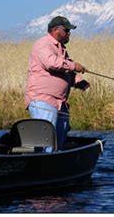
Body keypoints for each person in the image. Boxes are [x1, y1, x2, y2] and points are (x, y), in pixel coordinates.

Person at [25, 15, 90, 150]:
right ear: (55, 30)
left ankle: (54, 168)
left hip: (60, 104)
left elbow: (65, 71)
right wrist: (74, 66)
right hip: (43, 101)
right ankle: (42, 167)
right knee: (45, 143)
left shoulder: (62, 49)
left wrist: (80, 82)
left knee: (58, 144)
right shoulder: (43, 44)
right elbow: (52, 63)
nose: (69, 34)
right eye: (66, 30)